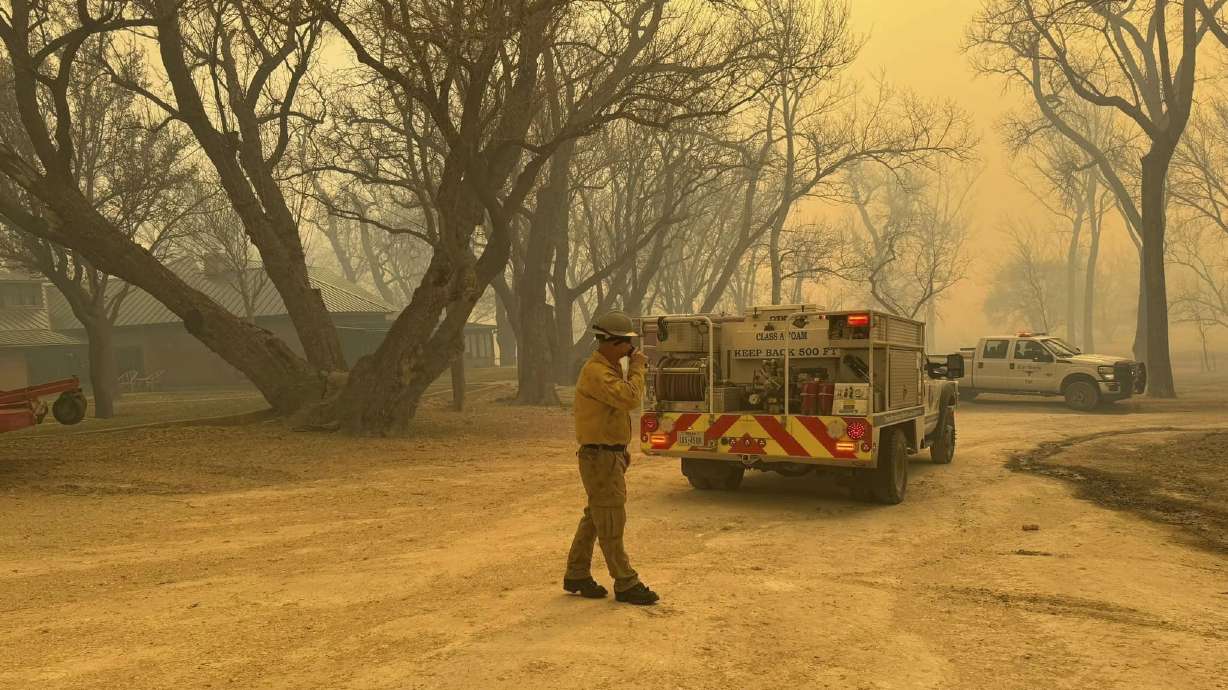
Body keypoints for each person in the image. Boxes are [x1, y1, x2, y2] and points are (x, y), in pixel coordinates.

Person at [562, 310, 659, 605]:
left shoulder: (608, 367)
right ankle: (626, 581)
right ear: (611, 343)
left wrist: (621, 451)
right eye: (626, 344)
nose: (629, 350)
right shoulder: (598, 372)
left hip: (607, 455)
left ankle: (577, 573)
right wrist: (638, 368)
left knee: (597, 516)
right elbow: (630, 398)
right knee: (612, 520)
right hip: (600, 457)